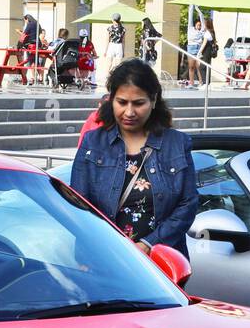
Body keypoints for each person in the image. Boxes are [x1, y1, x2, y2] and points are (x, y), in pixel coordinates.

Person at [70, 59, 199, 256]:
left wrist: (149, 244)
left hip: (160, 262)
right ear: (111, 99)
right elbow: (79, 205)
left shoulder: (177, 144)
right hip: (102, 256)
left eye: (139, 103)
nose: (129, 112)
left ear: (154, 100)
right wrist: (112, 249)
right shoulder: (93, 143)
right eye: (122, 102)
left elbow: (187, 204)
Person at [185, 17, 204, 86]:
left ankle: (201, 82)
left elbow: (202, 19)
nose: (199, 27)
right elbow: (190, 15)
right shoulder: (190, 29)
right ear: (195, 25)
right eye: (198, 25)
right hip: (191, 48)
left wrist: (198, 11)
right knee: (191, 67)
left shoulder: (201, 31)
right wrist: (192, 6)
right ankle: (191, 83)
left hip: (198, 49)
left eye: (200, 25)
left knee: (198, 67)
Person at [200, 14, 218, 84]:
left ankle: (205, 83)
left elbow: (204, 44)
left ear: (207, 24)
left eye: (204, 23)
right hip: (210, 51)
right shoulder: (212, 32)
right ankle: (207, 83)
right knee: (207, 67)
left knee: (202, 67)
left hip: (206, 51)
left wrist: (199, 52)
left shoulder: (207, 33)